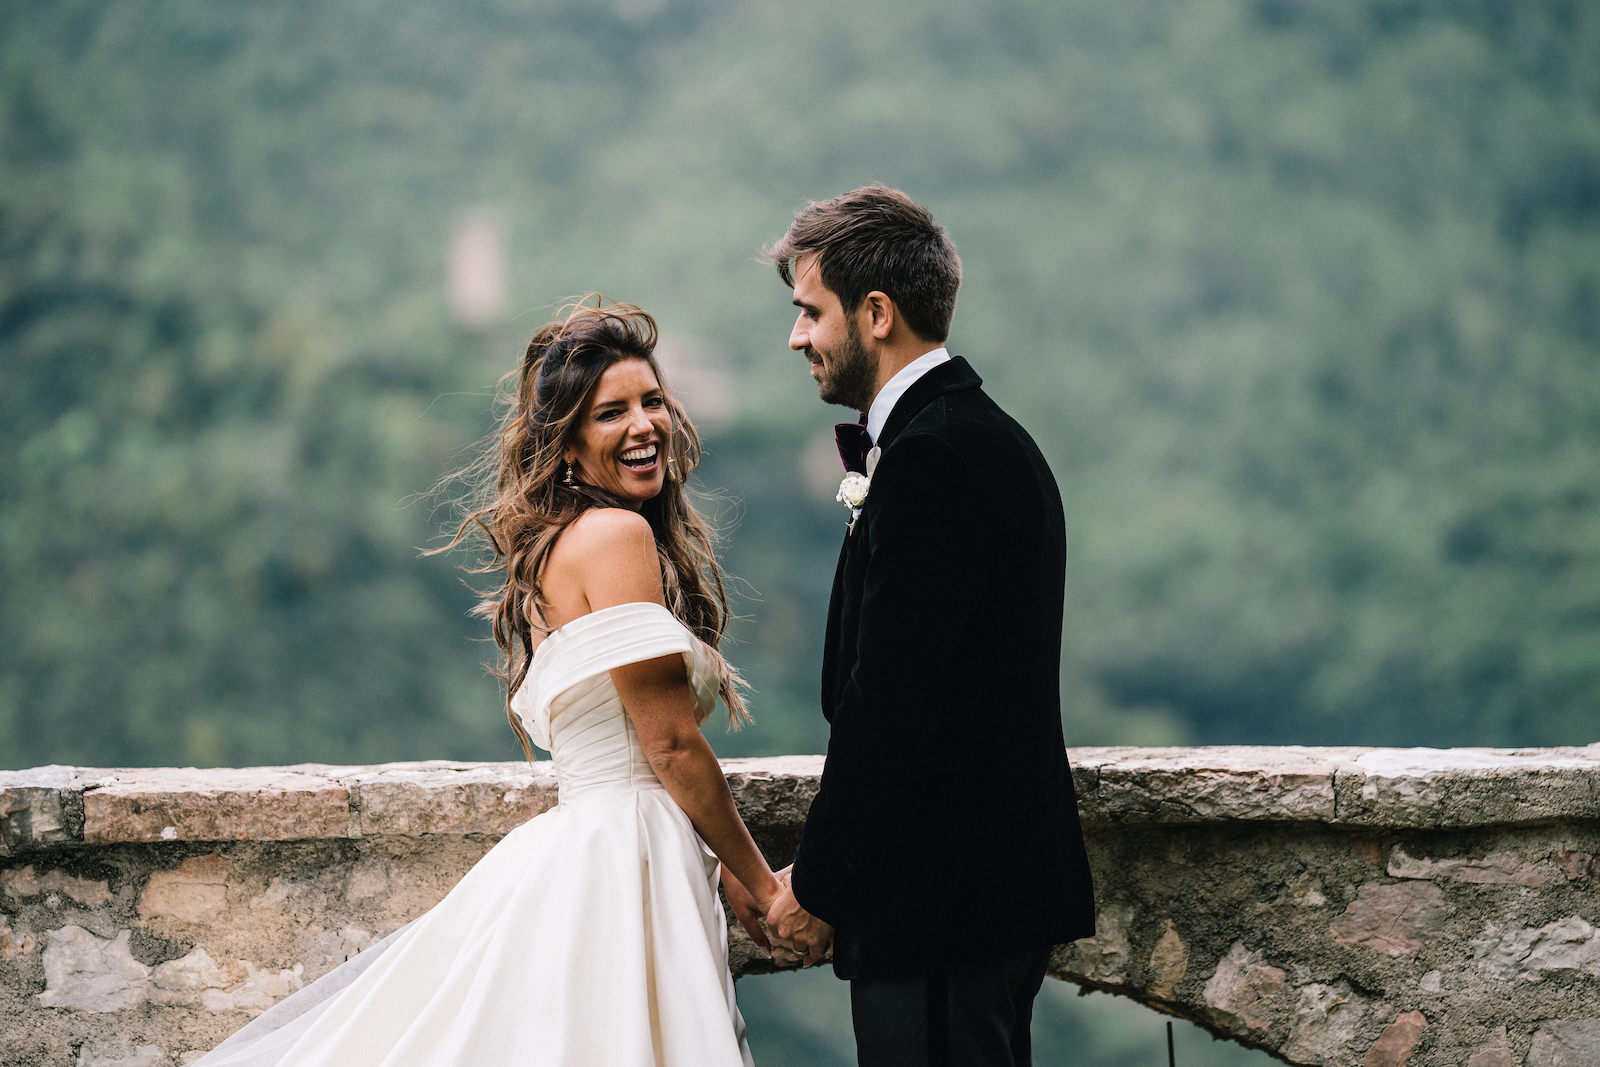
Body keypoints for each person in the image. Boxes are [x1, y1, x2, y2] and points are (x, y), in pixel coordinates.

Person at [195, 300, 781, 1066]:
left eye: (652, 401)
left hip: (606, 845)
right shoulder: (616, 535)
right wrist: (761, 883)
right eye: (612, 412)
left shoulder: (559, 544)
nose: (645, 425)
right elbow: (669, 743)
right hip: (626, 855)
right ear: (568, 444)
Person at [753, 186, 1097, 1066]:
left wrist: (821, 882)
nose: (797, 337)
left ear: (876, 313)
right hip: (966, 895)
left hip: (945, 898)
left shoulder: (934, 459)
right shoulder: (969, 437)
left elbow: (890, 703)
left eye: (809, 311)